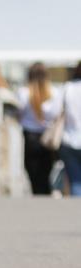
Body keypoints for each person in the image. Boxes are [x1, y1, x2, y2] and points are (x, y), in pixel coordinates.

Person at [16, 62, 61, 195]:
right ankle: (45, 193)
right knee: (46, 170)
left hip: (30, 136)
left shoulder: (23, 92)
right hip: (48, 137)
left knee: (32, 171)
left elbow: (19, 112)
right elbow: (55, 114)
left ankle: (38, 193)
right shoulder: (54, 92)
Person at [59, 61, 81, 196]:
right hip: (71, 140)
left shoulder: (68, 88)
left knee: (75, 181)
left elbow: (51, 110)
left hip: (70, 139)